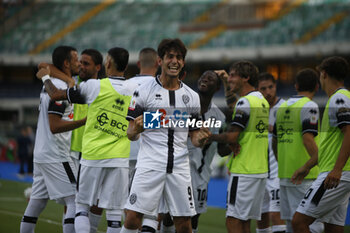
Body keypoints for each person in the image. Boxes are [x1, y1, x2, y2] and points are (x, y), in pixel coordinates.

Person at [37, 47, 137, 233]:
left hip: (93, 156)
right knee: (115, 215)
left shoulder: (94, 86)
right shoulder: (135, 89)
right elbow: (139, 123)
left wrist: (45, 78)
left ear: (108, 63)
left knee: (82, 208)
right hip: (120, 159)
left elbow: (56, 95)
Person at [121, 38, 211, 233]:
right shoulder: (142, 91)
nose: (175, 61)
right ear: (160, 61)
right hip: (150, 163)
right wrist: (136, 129)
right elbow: (130, 133)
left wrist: (201, 138)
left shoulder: (192, 96)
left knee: (184, 223)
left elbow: (194, 138)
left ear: (183, 62)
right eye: (170, 56)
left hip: (180, 166)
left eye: (179, 57)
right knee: (133, 218)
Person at [20, 45, 85, 233]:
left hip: (42, 152)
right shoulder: (61, 89)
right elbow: (55, 126)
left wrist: (67, 78)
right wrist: (83, 122)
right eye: (75, 59)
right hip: (56, 154)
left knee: (36, 204)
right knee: (76, 199)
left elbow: (45, 66)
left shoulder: (52, 83)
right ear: (66, 63)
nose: (78, 62)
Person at [41, 48, 104, 233]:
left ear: (98, 67)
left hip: (94, 151)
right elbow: (43, 66)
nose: (81, 66)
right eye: (80, 62)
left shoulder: (101, 88)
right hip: (74, 151)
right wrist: (68, 80)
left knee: (94, 200)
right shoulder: (74, 86)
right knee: (75, 201)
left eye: (86, 63)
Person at [292, 56, 350, 233]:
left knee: (299, 222)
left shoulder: (338, 99)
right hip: (339, 174)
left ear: (323, 74)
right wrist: (307, 166)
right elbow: (330, 145)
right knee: (333, 227)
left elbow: (349, 131)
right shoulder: (344, 97)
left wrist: (337, 169)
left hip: (335, 175)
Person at [211, 61, 270, 233]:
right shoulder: (261, 101)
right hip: (259, 170)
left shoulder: (245, 103)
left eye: (233, 75)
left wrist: (208, 136)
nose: (229, 79)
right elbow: (235, 109)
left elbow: (232, 136)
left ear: (245, 78)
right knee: (244, 222)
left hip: (244, 170)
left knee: (233, 220)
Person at [272, 69, 322, 233]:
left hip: (285, 173)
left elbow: (275, 140)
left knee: (290, 225)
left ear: (296, 85)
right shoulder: (310, 105)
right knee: (311, 225)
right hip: (306, 175)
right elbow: (308, 138)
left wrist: (282, 162)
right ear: (317, 86)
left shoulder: (282, 106)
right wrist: (312, 163)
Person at [127, 47, 160, 233]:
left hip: (124, 151)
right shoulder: (161, 87)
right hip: (150, 155)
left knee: (127, 206)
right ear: (158, 63)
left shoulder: (125, 86)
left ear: (138, 64)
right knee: (150, 209)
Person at [256, 73, 286, 233]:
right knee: (260, 218)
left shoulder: (285, 107)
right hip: (259, 171)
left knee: (276, 215)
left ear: (275, 87)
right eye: (263, 89)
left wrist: (272, 128)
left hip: (278, 171)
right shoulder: (255, 109)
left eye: (270, 87)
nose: (268, 91)